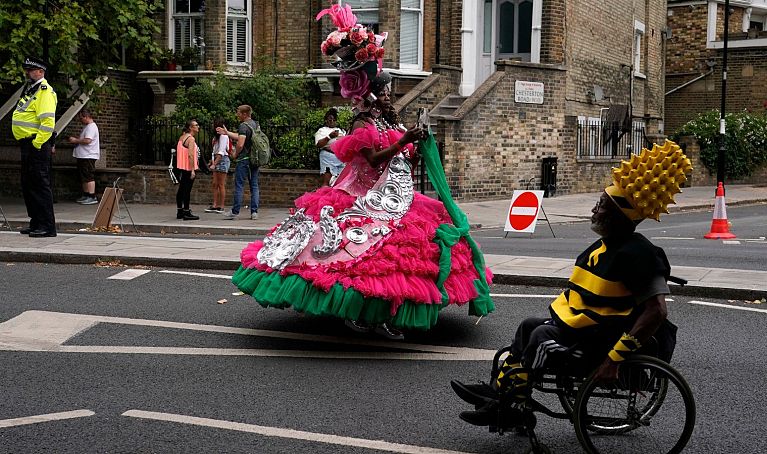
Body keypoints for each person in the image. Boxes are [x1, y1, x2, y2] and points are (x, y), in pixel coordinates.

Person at [230, 4, 494, 340]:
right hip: (361, 198)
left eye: (389, 91)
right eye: (384, 92)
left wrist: (417, 146)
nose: (389, 96)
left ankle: (385, 312)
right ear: (369, 93)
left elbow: (401, 166)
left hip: (392, 199)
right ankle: (363, 314)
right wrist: (405, 141)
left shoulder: (389, 123)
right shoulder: (362, 124)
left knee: (402, 258)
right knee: (360, 256)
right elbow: (371, 160)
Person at [452, 141, 693, 427]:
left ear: (618, 215)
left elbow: (657, 311)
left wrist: (615, 358)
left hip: (601, 340)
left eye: (601, 205)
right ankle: (498, 393)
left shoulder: (639, 254)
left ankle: (511, 406)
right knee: (528, 326)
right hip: (583, 329)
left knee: (541, 337)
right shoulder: (604, 246)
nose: (593, 209)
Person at [12, 57, 58, 238]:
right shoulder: (32, 90)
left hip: (36, 144)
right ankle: (37, 222)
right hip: (28, 144)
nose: (28, 73)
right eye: (27, 70)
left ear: (41, 71)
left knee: (40, 185)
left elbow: (47, 122)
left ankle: (47, 226)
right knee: (29, 185)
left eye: (31, 70)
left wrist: (37, 144)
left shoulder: (44, 91)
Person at [216, 105, 260, 220]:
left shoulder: (243, 125)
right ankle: (254, 212)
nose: (237, 115)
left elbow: (240, 143)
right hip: (254, 159)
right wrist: (227, 133)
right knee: (254, 185)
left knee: (239, 185)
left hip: (244, 159)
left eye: (239, 113)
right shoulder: (255, 124)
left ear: (244, 114)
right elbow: (241, 136)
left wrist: (235, 154)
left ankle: (235, 212)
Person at [68, 109, 100, 205]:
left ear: (86, 117)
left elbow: (87, 141)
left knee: (88, 176)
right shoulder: (87, 127)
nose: (80, 120)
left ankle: (92, 196)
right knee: (84, 176)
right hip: (84, 155)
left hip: (88, 155)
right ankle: (86, 195)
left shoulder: (91, 127)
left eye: (81, 118)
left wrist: (75, 140)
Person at [175, 119, 200, 221]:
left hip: (182, 167)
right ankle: (186, 211)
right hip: (188, 168)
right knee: (187, 190)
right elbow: (190, 155)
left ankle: (180, 211)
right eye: (196, 125)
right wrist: (193, 170)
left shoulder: (182, 137)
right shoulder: (191, 139)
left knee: (181, 189)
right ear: (190, 127)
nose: (198, 127)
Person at [314, 108, 346, 186]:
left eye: (334, 120)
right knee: (327, 182)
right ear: (326, 120)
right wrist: (329, 137)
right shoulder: (322, 130)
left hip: (340, 158)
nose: (332, 121)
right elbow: (319, 144)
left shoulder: (340, 130)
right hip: (328, 158)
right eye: (330, 120)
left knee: (340, 183)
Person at [205, 118, 231, 214]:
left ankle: (221, 206)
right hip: (216, 159)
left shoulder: (223, 137)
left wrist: (214, 164)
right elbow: (215, 151)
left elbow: (221, 152)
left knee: (221, 184)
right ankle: (215, 205)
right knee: (215, 184)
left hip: (222, 160)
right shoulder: (216, 137)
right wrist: (212, 162)